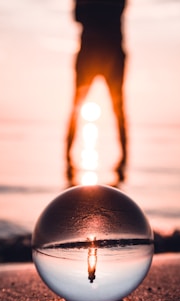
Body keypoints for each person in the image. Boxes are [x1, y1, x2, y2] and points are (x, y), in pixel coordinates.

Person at [66, 0, 128, 179]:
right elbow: (78, 17)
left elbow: (79, 16)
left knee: (117, 109)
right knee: (79, 106)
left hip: (105, 53)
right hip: (98, 52)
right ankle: (67, 159)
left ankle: (123, 162)